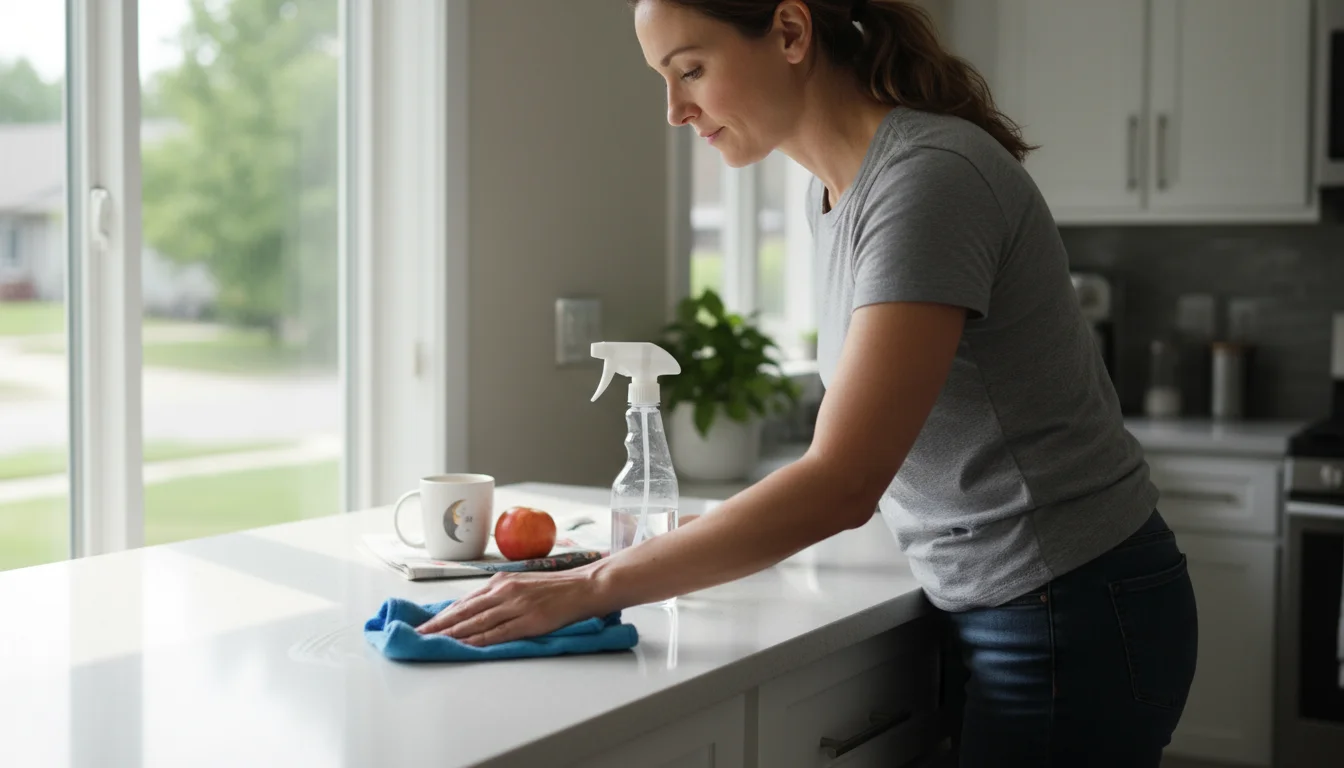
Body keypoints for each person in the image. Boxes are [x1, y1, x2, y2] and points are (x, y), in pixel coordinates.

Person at [416, 1, 1199, 764]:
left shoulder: (929, 180)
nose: (674, 109)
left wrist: (592, 586)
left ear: (790, 32)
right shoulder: (834, 193)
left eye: (690, 68)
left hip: (1072, 607)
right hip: (1012, 601)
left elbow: (843, 480)